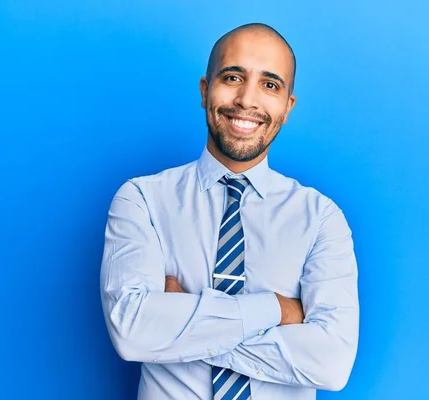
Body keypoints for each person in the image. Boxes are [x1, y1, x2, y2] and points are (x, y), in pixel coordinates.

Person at [100, 22, 359, 400]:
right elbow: (132, 332)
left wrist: (186, 321)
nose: (247, 100)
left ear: (287, 107)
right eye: (233, 77)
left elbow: (331, 364)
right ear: (206, 91)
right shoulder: (141, 200)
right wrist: (275, 309)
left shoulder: (321, 218)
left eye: (270, 85)